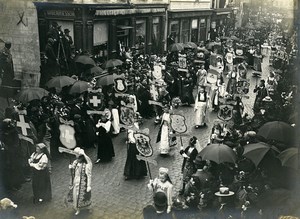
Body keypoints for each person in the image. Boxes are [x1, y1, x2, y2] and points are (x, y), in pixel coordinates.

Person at [68, 148, 92, 215]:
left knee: (85, 196)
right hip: (76, 181)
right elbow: (73, 170)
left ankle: (87, 207)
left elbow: (89, 175)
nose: (77, 160)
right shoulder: (75, 162)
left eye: (79, 158)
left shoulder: (86, 165)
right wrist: (71, 167)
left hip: (83, 183)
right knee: (76, 195)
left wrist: (88, 186)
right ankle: (77, 209)